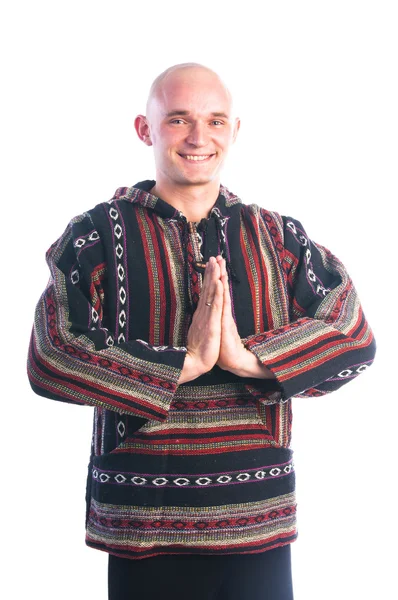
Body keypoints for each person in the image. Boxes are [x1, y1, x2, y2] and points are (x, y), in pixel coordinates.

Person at [27, 63, 376, 600]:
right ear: (146, 129)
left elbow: (352, 334)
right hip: (143, 524)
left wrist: (246, 360)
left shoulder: (276, 235)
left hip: (256, 520)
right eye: (179, 120)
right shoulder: (96, 234)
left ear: (235, 130)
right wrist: (181, 364)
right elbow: (52, 356)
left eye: (215, 121)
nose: (198, 137)